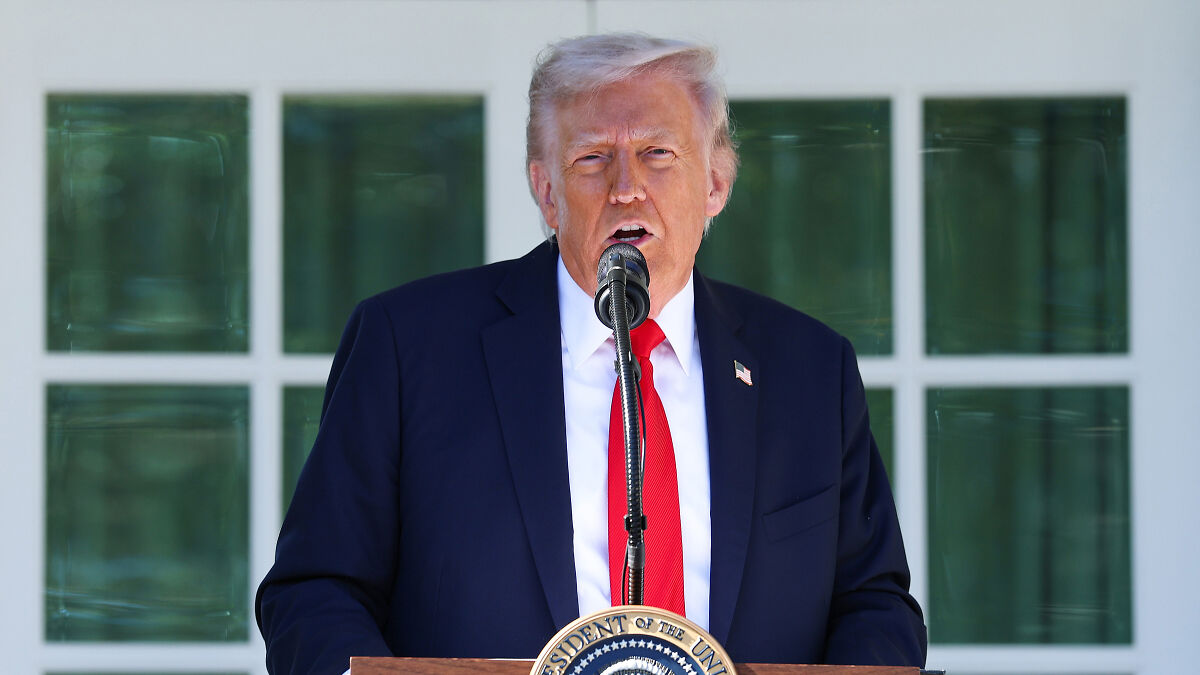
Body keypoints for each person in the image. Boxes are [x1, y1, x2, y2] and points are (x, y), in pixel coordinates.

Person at [256, 34, 927, 675]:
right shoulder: (408, 347)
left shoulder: (810, 370)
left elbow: (872, 601)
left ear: (716, 183)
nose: (626, 186)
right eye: (592, 158)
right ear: (547, 192)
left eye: (658, 153)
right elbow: (316, 590)